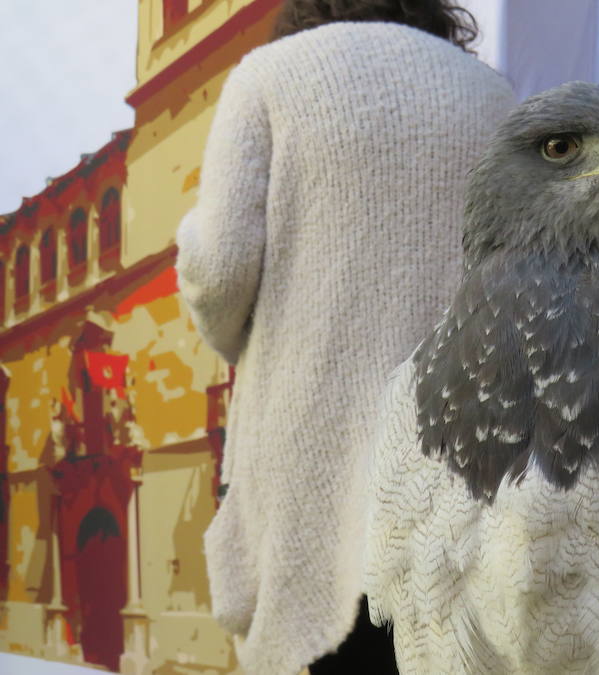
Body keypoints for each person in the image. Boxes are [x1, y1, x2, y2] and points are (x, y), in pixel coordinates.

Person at [174, 1, 516, 672]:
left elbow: (216, 271)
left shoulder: (268, 77)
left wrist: (194, 254)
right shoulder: (495, 99)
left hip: (313, 455)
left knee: (330, 652)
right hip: (462, 457)